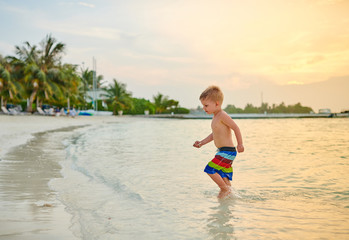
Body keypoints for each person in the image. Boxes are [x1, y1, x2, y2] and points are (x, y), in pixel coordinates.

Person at [193, 86, 244, 199]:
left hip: (227, 151)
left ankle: (224, 189)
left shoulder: (222, 116)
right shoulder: (215, 117)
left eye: (206, 105)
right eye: (203, 105)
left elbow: (236, 128)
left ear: (217, 104)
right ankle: (227, 199)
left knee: (210, 169)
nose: (203, 108)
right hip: (223, 151)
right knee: (223, 177)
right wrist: (201, 143)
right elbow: (213, 135)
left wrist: (240, 144)